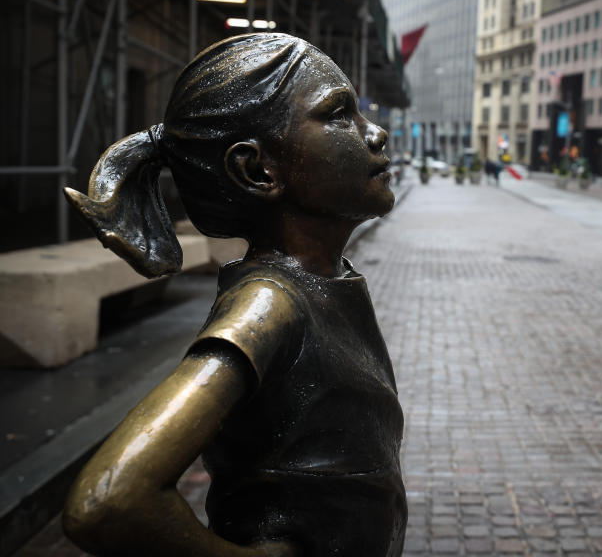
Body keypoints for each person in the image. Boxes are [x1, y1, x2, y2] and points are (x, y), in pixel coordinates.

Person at [61, 33, 406, 557]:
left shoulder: (325, 281)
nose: (375, 134)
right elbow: (108, 500)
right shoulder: (269, 305)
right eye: (339, 114)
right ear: (257, 169)